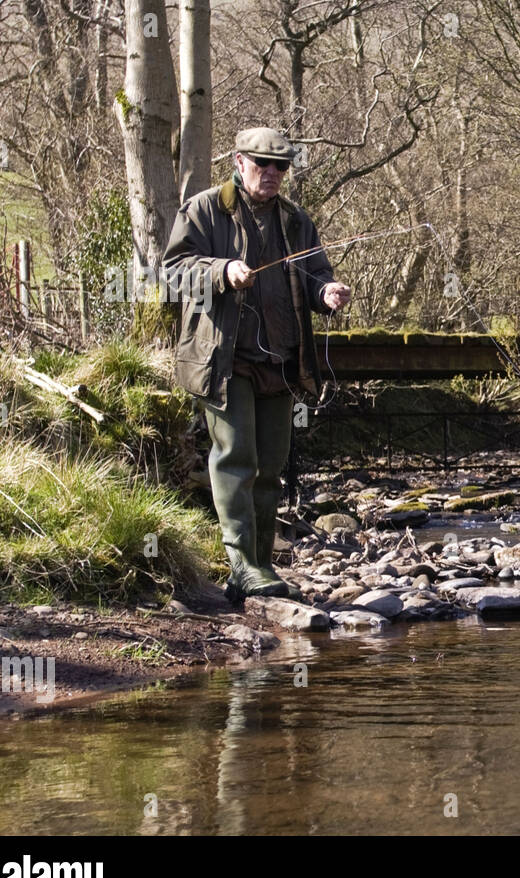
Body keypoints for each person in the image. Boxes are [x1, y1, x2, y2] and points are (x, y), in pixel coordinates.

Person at [165, 127, 351, 603]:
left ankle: (260, 564)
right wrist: (221, 272)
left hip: (281, 363)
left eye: (281, 166)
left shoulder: (296, 221)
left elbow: (315, 274)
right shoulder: (204, 209)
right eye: (262, 164)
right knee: (236, 459)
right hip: (223, 360)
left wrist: (326, 293)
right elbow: (172, 272)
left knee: (270, 468)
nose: (271, 173)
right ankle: (244, 565)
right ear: (239, 161)